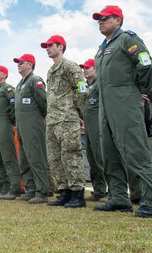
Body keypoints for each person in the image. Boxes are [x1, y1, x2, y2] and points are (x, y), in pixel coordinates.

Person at [91, 5, 152, 217]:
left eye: (104, 18)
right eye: (99, 19)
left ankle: (150, 200)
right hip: (106, 106)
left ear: (118, 20)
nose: (100, 22)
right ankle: (119, 198)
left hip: (125, 103)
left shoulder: (128, 39)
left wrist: (139, 91)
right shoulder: (101, 48)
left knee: (137, 151)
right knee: (109, 153)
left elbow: (146, 65)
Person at [42, 35, 88, 208]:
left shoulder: (70, 66)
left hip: (67, 118)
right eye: (46, 46)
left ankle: (78, 193)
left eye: (50, 45)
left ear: (60, 47)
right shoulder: (51, 70)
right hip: (52, 120)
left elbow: (82, 88)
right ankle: (64, 192)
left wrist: (77, 110)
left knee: (71, 154)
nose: (47, 48)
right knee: (54, 158)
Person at [13, 54, 50, 203]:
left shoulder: (35, 80)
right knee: (24, 158)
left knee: (36, 156)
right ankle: (31, 189)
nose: (18, 65)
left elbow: (44, 103)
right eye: (18, 62)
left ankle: (42, 191)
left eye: (21, 62)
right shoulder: (20, 84)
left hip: (33, 123)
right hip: (22, 125)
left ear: (30, 64)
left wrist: (38, 119)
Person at [0, 65, 22, 200]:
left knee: (8, 157)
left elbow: (13, 105)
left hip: (4, 125)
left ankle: (14, 188)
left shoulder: (7, 88)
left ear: (5, 75)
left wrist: (11, 121)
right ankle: (4, 187)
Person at [79, 59, 107, 201]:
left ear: (95, 69)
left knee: (100, 157)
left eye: (87, 68)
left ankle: (112, 191)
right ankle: (99, 190)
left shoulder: (99, 84)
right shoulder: (84, 86)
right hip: (88, 127)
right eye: (83, 68)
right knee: (92, 158)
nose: (84, 70)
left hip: (98, 125)